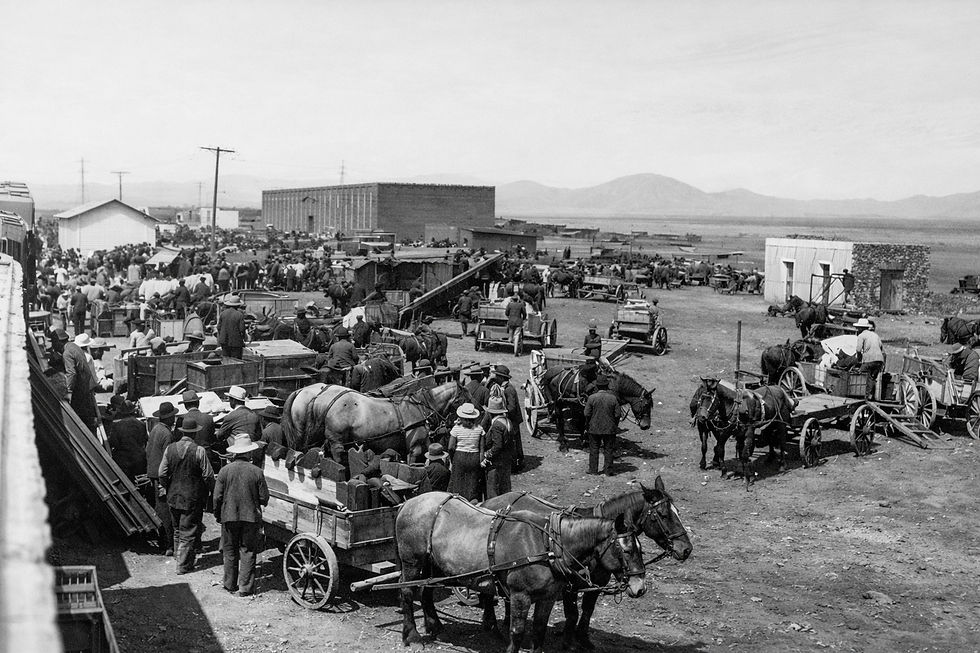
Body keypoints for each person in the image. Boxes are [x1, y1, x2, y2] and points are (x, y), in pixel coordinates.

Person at [212, 434, 269, 596]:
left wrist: (218, 515)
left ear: (235, 453)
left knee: (229, 551)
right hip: (250, 518)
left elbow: (217, 497)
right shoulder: (257, 471)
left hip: (229, 517)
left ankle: (229, 584)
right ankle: (245, 588)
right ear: (249, 453)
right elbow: (264, 497)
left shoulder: (224, 471)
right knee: (248, 551)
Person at [158, 415, 215, 574]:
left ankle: (178, 557)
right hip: (192, 497)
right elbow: (208, 476)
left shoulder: (170, 449)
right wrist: (212, 491)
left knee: (177, 528)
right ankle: (183, 566)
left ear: (182, 432)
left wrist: (168, 486)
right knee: (188, 531)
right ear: (195, 434)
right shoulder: (199, 451)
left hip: (173, 496)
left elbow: (161, 473)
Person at [147, 401, 180, 555]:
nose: (174, 419)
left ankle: (163, 541)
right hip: (162, 475)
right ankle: (168, 544)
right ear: (169, 418)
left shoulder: (155, 430)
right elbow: (169, 457)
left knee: (159, 508)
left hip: (153, 473)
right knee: (166, 510)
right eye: (173, 416)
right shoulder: (167, 434)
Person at [62, 333, 100, 434]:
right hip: (88, 386)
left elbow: (72, 373)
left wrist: (68, 391)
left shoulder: (68, 353)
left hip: (82, 389)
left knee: (82, 414)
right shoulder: (79, 351)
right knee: (87, 413)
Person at [584, 375, 620, 476]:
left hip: (594, 428)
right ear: (607, 386)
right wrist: (614, 424)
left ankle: (593, 470)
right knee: (608, 450)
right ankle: (608, 471)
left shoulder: (591, 398)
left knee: (594, 449)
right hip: (609, 429)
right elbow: (618, 414)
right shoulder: (613, 398)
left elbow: (586, 414)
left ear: (597, 386)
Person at [448, 403, 484, 501]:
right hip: (474, 456)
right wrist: (480, 461)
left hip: (459, 455)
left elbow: (451, 447)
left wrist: (452, 459)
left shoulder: (456, 429)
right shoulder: (479, 429)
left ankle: (457, 501)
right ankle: (472, 501)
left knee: (457, 481)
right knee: (473, 482)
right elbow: (481, 448)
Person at [492, 365, 525, 471]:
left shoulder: (508, 390)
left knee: (513, 441)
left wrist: (502, 413)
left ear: (501, 378)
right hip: (512, 419)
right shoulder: (505, 387)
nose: (495, 378)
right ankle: (518, 461)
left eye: (497, 376)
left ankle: (516, 464)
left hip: (512, 419)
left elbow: (512, 407)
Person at [107, 399, 147, 481]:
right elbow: (144, 441)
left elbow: (113, 443)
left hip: (123, 460)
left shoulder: (117, 426)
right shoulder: (141, 424)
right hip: (138, 459)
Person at [482, 397, 513, 498]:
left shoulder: (496, 425)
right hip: (506, 460)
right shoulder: (507, 421)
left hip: (496, 463)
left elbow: (497, 446)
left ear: (491, 413)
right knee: (505, 488)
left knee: (493, 490)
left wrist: (486, 455)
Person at [179, 390, 217, 469]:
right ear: (198, 403)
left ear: (185, 405)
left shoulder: (182, 419)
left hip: (187, 456)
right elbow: (212, 439)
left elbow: (178, 439)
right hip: (206, 455)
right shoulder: (209, 418)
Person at [854, 318, 884, 400]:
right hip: (879, 360)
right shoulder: (875, 335)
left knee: (861, 375)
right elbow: (881, 347)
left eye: (858, 328)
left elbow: (858, 350)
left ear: (860, 328)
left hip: (869, 359)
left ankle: (864, 397)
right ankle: (871, 395)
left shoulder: (861, 336)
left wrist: (859, 360)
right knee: (872, 377)